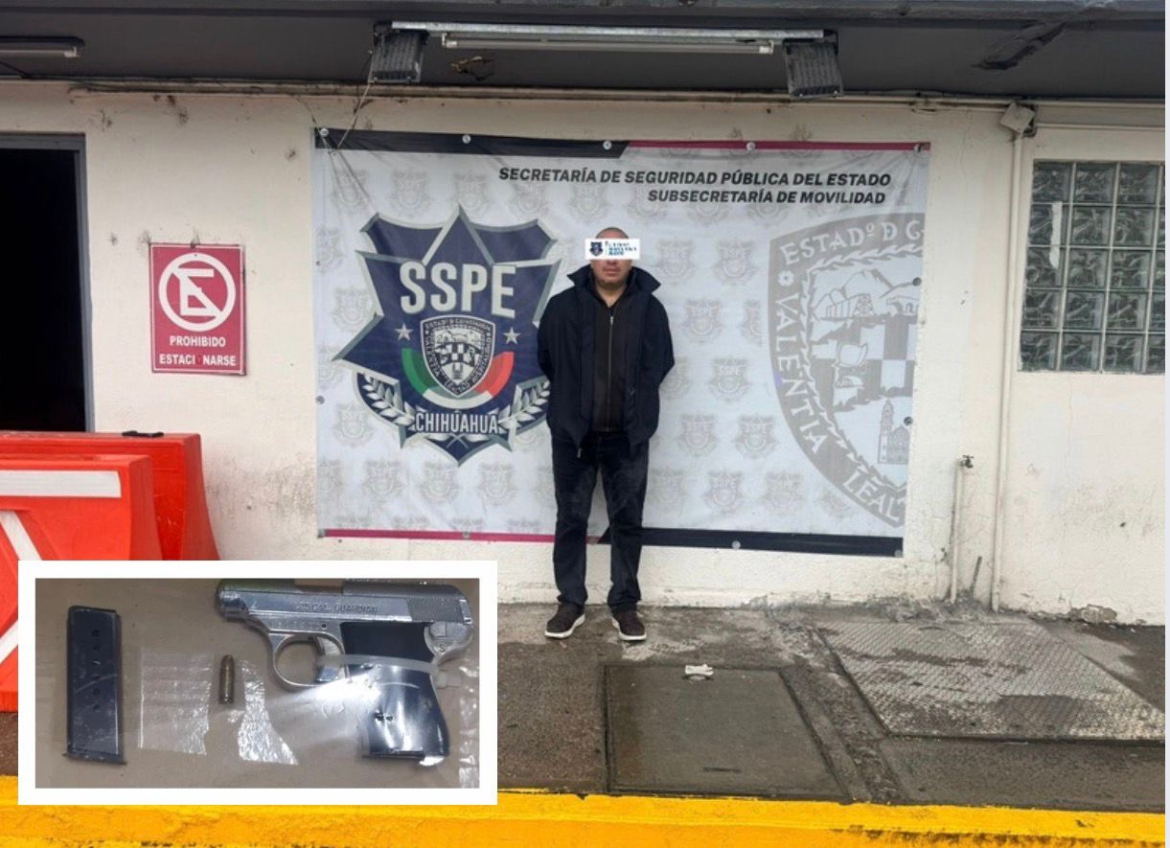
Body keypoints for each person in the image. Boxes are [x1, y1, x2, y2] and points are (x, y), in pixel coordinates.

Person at [536, 226, 675, 642]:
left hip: (627, 439)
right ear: (591, 257)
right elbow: (547, 359)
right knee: (571, 519)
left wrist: (636, 410)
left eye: (620, 251)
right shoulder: (562, 307)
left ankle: (625, 604)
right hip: (573, 438)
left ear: (631, 257)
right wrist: (574, 406)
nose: (611, 260)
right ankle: (570, 602)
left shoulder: (650, 310)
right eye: (603, 251)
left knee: (627, 521)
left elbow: (661, 364)